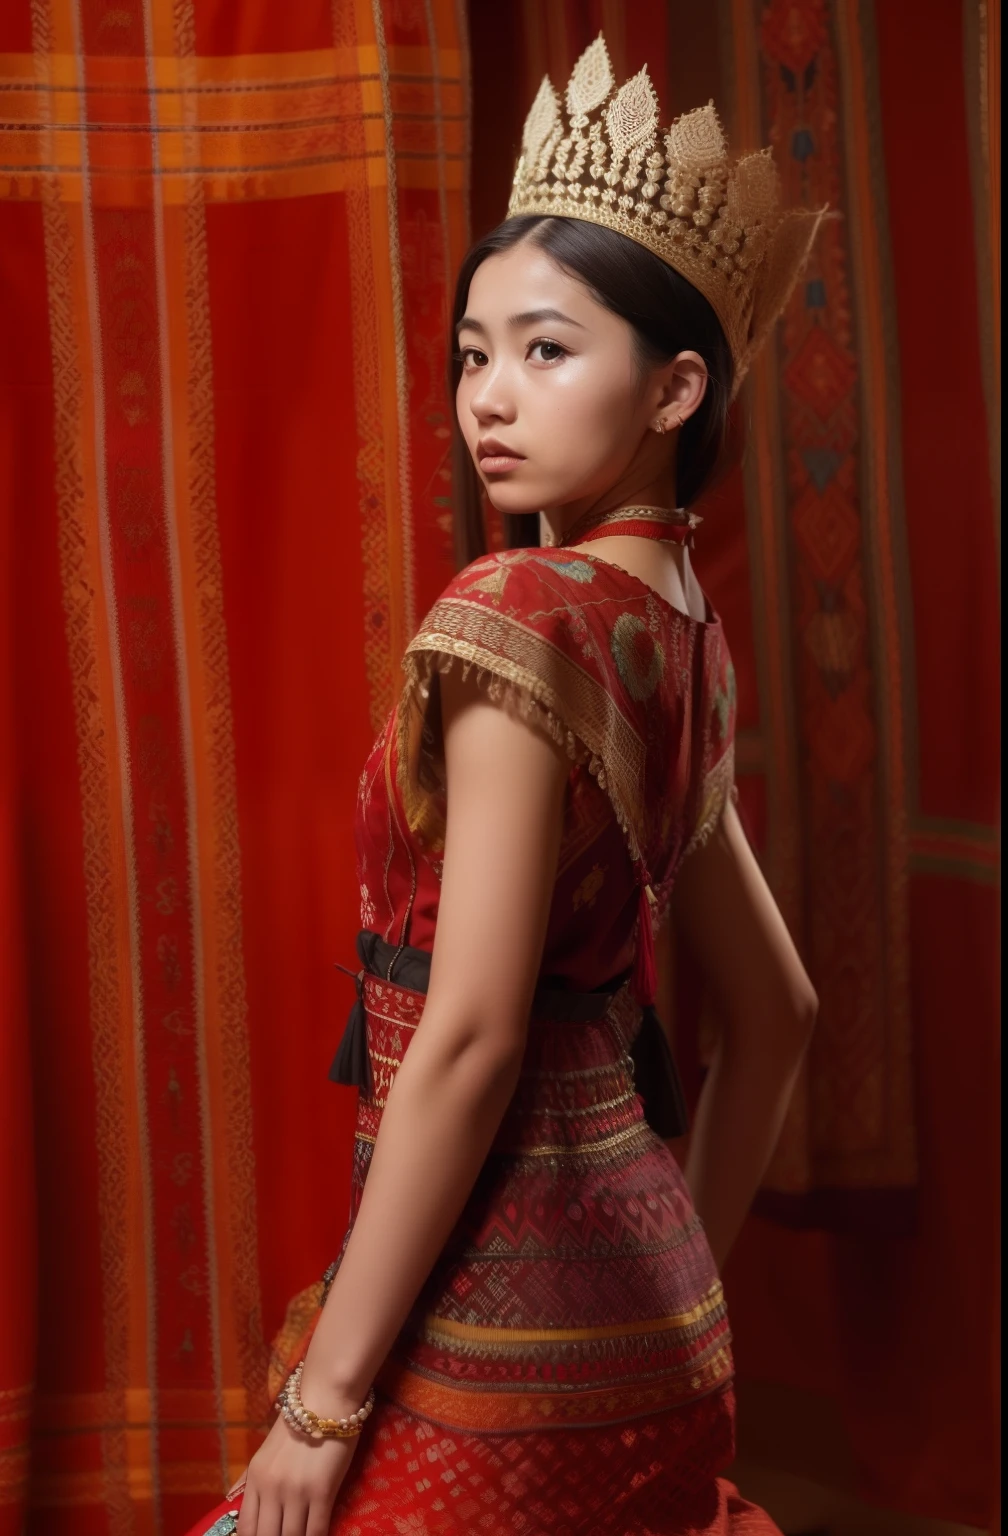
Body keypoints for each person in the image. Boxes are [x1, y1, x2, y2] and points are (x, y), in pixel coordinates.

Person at [189, 34, 825, 1536]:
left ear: (677, 389)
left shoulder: (515, 620)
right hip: (658, 1320)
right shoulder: (684, 640)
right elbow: (779, 1014)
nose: (490, 394)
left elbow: (468, 1039)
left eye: (547, 350)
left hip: (499, 1329)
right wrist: (681, 1273)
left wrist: (319, 1409)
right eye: (475, 351)